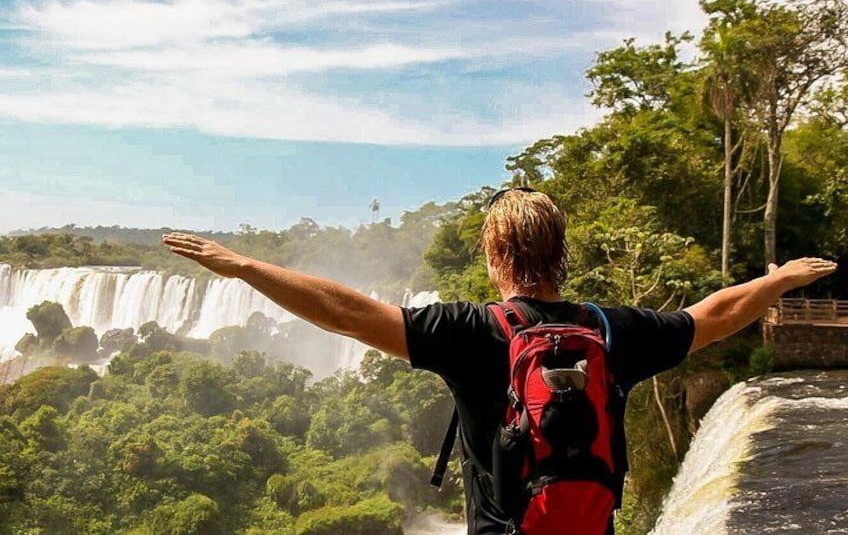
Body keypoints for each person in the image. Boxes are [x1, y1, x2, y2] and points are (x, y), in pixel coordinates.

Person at [162, 188, 837, 535]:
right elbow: (715, 315)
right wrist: (776, 282)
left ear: (494, 257)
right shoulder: (613, 329)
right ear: (561, 254)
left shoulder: (469, 330)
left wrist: (241, 266)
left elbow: (346, 313)